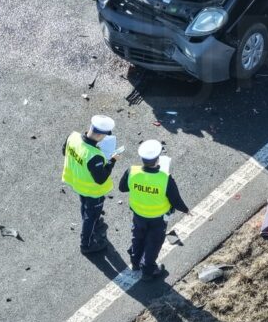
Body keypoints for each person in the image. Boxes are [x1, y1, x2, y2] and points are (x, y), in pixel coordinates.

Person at [118, 140, 189, 280]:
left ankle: (135, 261)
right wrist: (186, 210)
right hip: (158, 218)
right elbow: (175, 199)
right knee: (153, 242)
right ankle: (148, 270)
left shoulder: (132, 171)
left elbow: (122, 188)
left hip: (138, 214)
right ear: (158, 160)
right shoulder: (165, 178)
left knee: (138, 236)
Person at [62, 115, 119, 255]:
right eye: (104, 136)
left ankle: (92, 222)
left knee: (85, 205)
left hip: (77, 183)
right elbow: (101, 179)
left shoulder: (73, 137)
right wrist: (112, 161)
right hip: (93, 191)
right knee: (91, 217)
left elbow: (64, 151)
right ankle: (86, 244)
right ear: (99, 135)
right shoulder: (94, 156)